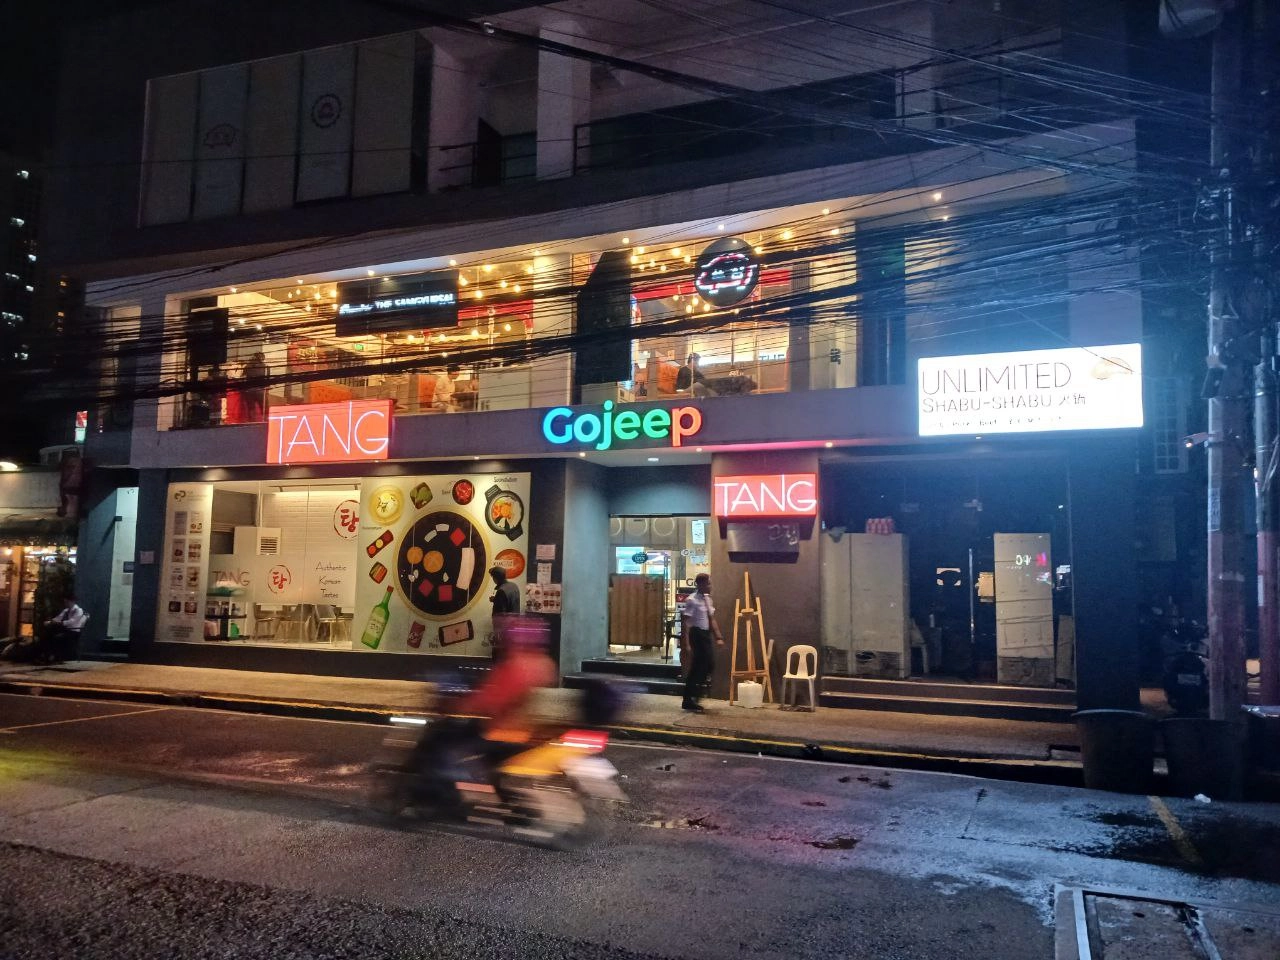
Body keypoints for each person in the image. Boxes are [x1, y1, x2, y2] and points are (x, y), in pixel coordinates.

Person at [680, 573, 723, 713]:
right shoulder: (692, 600)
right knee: (701, 666)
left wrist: (718, 636)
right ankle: (690, 698)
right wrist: (686, 644)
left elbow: (711, 619)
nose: (711, 586)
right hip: (696, 634)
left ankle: (693, 697)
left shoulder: (707, 599)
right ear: (701, 584)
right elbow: (685, 623)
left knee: (707, 665)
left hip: (705, 635)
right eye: (708, 583)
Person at [1, 594, 86, 664]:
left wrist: (59, 623)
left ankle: (46, 655)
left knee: (52, 637)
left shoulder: (78, 611)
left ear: (72, 601)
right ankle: (39, 654)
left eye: (67, 602)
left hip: (73, 631)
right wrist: (50, 621)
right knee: (47, 636)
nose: (66, 604)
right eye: (65, 602)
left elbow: (72, 621)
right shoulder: (66, 610)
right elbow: (58, 618)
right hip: (64, 629)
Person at [489, 565, 521, 659]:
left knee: (500, 656)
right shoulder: (513, 586)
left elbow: (500, 615)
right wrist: (496, 599)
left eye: (493, 577)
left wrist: (497, 634)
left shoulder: (501, 591)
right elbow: (509, 602)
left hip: (504, 630)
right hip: (514, 626)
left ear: (495, 578)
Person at [242, 351, 268, 422]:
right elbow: (267, 380)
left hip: (249, 390)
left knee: (251, 408)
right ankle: (265, 421)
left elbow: (243, 377)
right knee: (263, 407)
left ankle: (252, 421)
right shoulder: (264, 366)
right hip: (260, 390)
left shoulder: (247, 366)